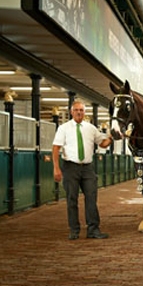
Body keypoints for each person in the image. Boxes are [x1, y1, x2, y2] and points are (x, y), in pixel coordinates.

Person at [52, 99, 112, 240]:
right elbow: (56, 148)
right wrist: (56, 168)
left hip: (87, 168)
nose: (79, 112)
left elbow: (102, 144)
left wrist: (112, 137)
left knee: (91, 198)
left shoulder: (91, 128)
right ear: (71, 112)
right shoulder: (64, 128)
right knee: (72, 199)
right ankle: (74, 230)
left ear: (85, 113)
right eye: (76, 110)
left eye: (81, 110)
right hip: (70, 167)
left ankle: (93, 230)